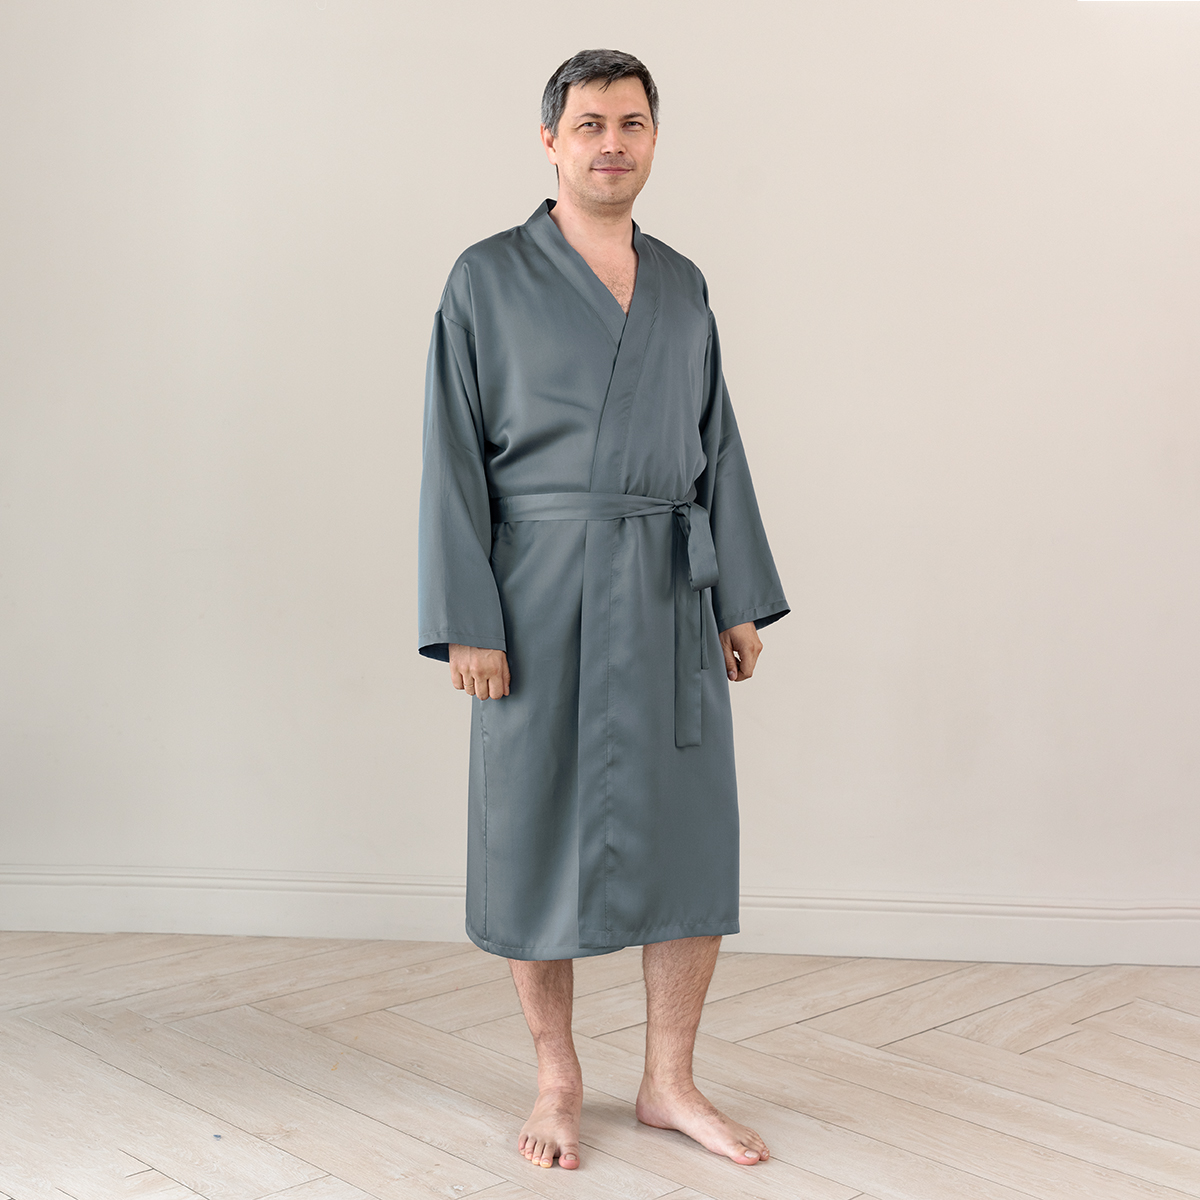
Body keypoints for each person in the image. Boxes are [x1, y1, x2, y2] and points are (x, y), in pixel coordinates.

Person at [417, 48, 789, 1171]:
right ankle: (557, 1078)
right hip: (535, 594)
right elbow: (450, 459)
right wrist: (469, 617)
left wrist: (736, 598)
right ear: (551, 142)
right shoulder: (485, 278)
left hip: (670, 590)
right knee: (533, 832)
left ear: (653, 140)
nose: (611, 143)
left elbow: (717, 443)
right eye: (590, 124)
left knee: (690, 837)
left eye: (632, 123)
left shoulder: (682, 283)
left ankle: (670, 1081)